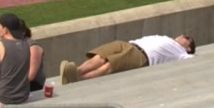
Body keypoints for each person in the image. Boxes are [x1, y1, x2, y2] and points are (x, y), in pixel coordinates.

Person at [59, 34, 195, 83]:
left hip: (142, 56)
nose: (183, 36)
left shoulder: (181, 52)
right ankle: (76, 71)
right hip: (129, 44)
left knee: (110, 65)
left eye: (187, 38)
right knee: (101, 56)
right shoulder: (167, 38)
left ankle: (79, 79)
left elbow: (193, 61)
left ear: (188, 47)